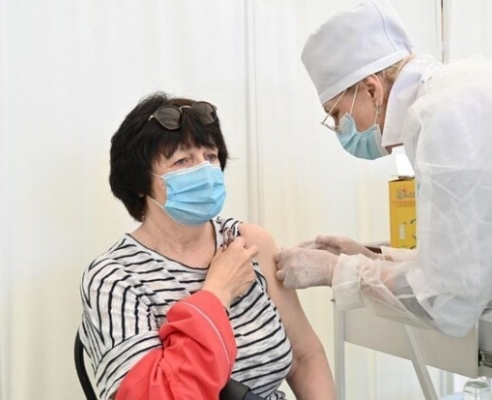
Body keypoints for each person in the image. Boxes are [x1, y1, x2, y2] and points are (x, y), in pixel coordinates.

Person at [275, 0, 492, 338]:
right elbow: (474, 260)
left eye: (336, 114)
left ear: (372, 89)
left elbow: (450, 300)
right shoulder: (459, 89)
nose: (339, 129)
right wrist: (369, 257)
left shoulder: (443, 117)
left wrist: (335, 271)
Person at [79, 92, 336, 400]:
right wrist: (216, 294)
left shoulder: (248, 242)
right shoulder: (114, 278)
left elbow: (305, 357)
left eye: (210, 156)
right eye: (182, 160)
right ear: (138, 182)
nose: (204, 169)